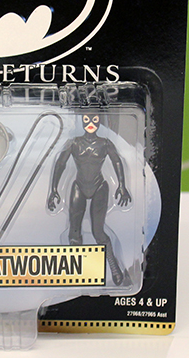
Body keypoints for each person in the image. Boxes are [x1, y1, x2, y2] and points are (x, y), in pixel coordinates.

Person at [48, 114, 131, 285]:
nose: (91, 123)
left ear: (100, 122)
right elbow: (60, 163)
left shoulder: (105, 144)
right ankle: (77, 269)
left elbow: (117, 161)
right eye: (87, 120)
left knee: (98, 232)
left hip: (99, 187)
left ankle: (114, 267)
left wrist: (122, 185)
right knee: (74, 233)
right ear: (82, 121)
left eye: (95, 120)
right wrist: (54, 190)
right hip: (79, 186)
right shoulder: (74, 143)